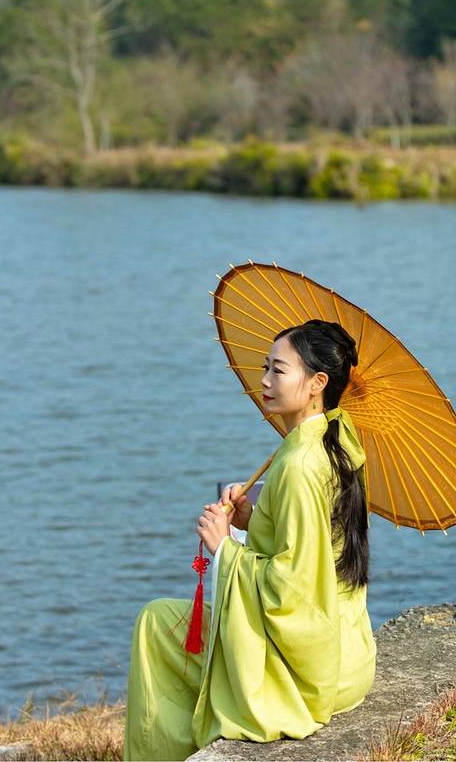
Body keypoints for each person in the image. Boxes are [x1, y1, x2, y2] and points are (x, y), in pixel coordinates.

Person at [123, 319, 377, 761]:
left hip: (310, 673)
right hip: (350, 651)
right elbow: (317, 547)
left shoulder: (299, 465)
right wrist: (253, 518)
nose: (264, 380)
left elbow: (295, 589)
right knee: (165, 621)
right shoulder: (337, 440)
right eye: (265, 368)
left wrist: (226, 548)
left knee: (156, 625)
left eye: (278, 370)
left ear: (317, 383)